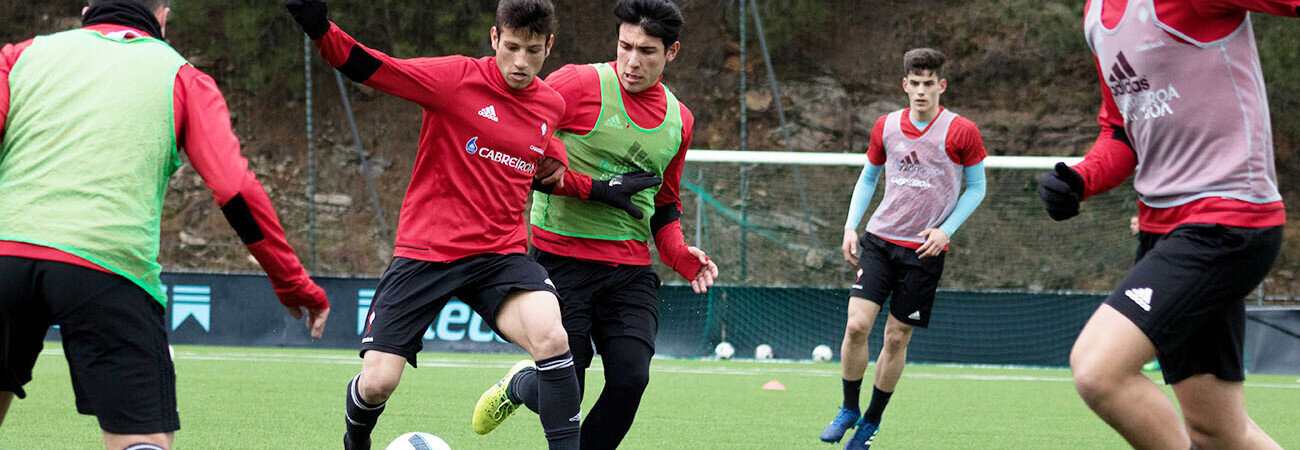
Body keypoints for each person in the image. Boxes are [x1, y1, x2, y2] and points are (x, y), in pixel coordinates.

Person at [286, 1, 652, 448]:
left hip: (499, 257)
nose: (520, 62)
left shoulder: (550, 104)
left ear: (548, 47)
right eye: (511, 47)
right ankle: (355, 439)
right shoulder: (455, 78)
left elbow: (545, 160)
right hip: (426, 252)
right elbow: (371, 66)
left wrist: (579, 174)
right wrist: (318, 26)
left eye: (533, 51)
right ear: (494, 38)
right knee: (378, 382)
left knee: (553, 337)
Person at [0, 1, 331, 448]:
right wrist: (293, 284)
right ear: (163, 15)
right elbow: (236, 190)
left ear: (86, 9)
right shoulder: (183, 76)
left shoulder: (19, 56)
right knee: (141, 439)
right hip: (105, 266)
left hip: (4, 252)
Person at [1037, 0, 1297, 448]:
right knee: (1218, 432)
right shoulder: (1096, 16)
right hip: (1163, 231)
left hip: (1227, 221)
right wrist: (1080, 179)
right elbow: (1121, 130)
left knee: (1100, 371)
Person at [471, 1, 718, 448]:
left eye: (647, 51)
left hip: (628, 270)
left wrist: (682, 256)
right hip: (559, 260)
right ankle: (520, 386)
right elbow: (521, 158)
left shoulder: (680, 121)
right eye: (625, 46)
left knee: (631, 378)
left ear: (672, 52)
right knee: (568, 389)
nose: (632, 60)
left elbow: (664, 205)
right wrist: (597, 187)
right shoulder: (576, 84)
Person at [821, 48, 987, 450]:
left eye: (929, 84)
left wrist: (946, 230)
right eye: (914, 83)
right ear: (904, 85)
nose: (921, 91)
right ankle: (848, 408)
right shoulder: (886, 126)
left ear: (941, 86)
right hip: (879, 241)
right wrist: (850, 226)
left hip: (924, 252)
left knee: (896, 338)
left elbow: (977, 188)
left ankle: (870, 423)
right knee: (857, 325)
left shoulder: (962, 131)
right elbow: (867, 179)